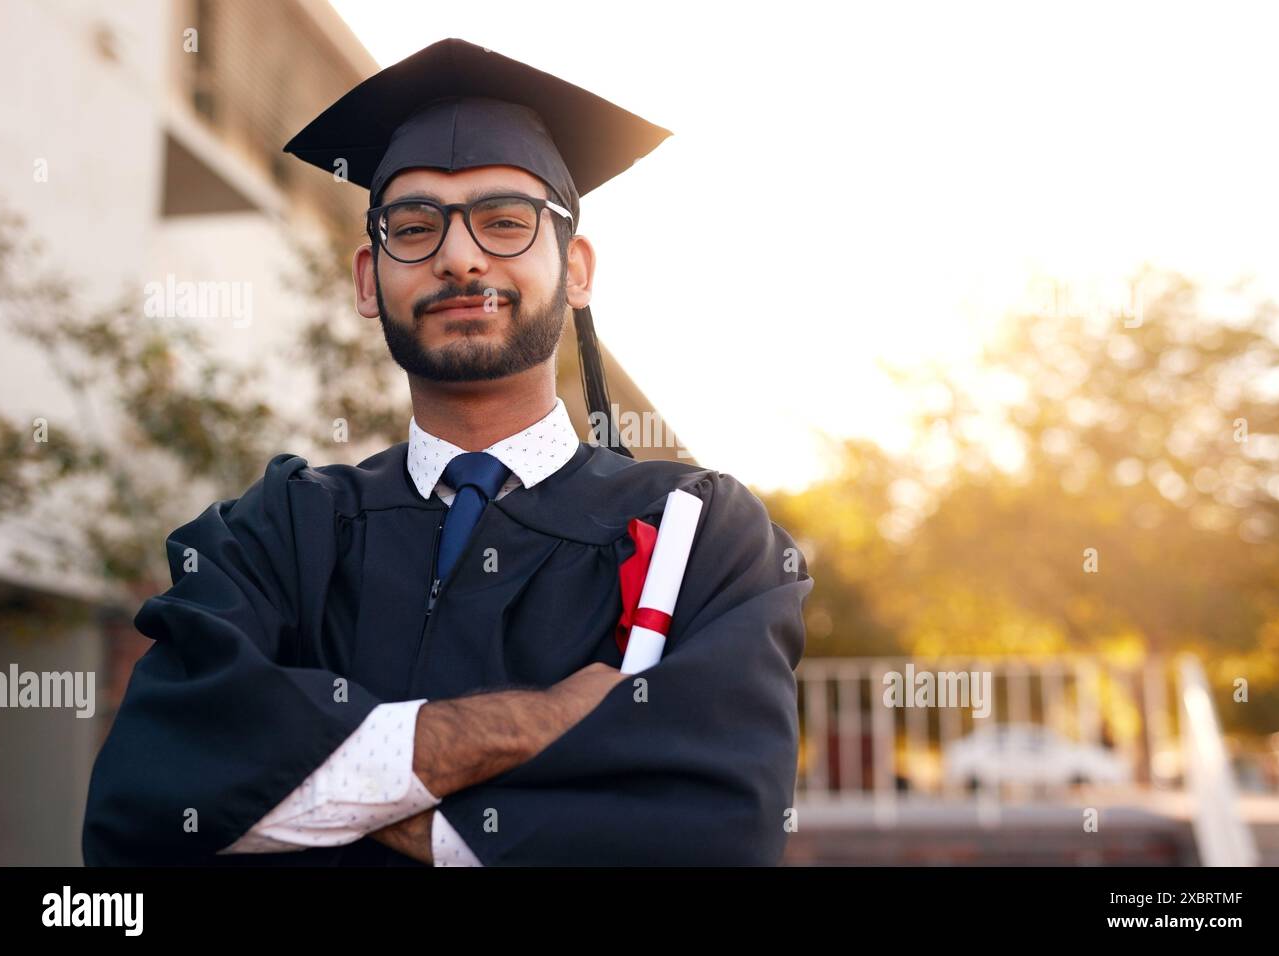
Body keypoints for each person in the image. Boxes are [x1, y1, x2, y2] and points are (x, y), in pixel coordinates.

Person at [81, 37, 812, 867]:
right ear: (367, 279)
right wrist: (541, 724)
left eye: (505, 222)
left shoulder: (702, 535)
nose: (460, 257)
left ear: (576, 269)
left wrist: (362, 809)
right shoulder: (275, 534)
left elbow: (716, 828)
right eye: (415, 226)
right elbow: (147, 798)